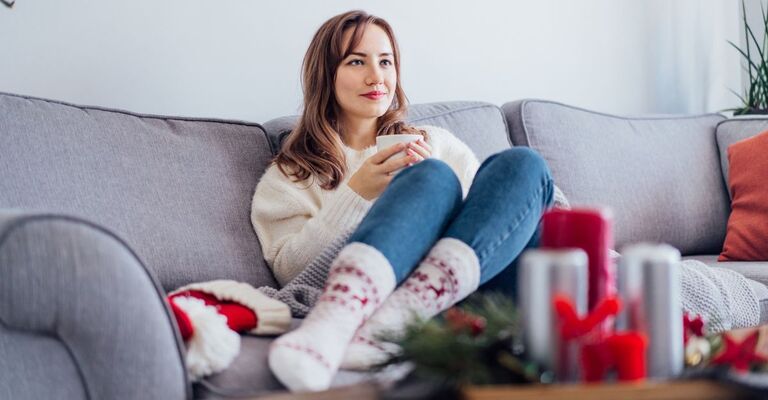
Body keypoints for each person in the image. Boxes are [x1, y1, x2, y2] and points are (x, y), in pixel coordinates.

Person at [249, 10, 554, 392]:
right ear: (325, 75)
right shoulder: (292, 175)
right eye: (356, 61)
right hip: (370, 299)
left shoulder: (435, 141)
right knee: (432, 177)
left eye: (386, 61)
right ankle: (357, 317)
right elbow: (289, 272)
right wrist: (356, 192)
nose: (376, 77)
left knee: (523, 164)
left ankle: (407, 311)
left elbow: (504, 217)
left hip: (472, 295)